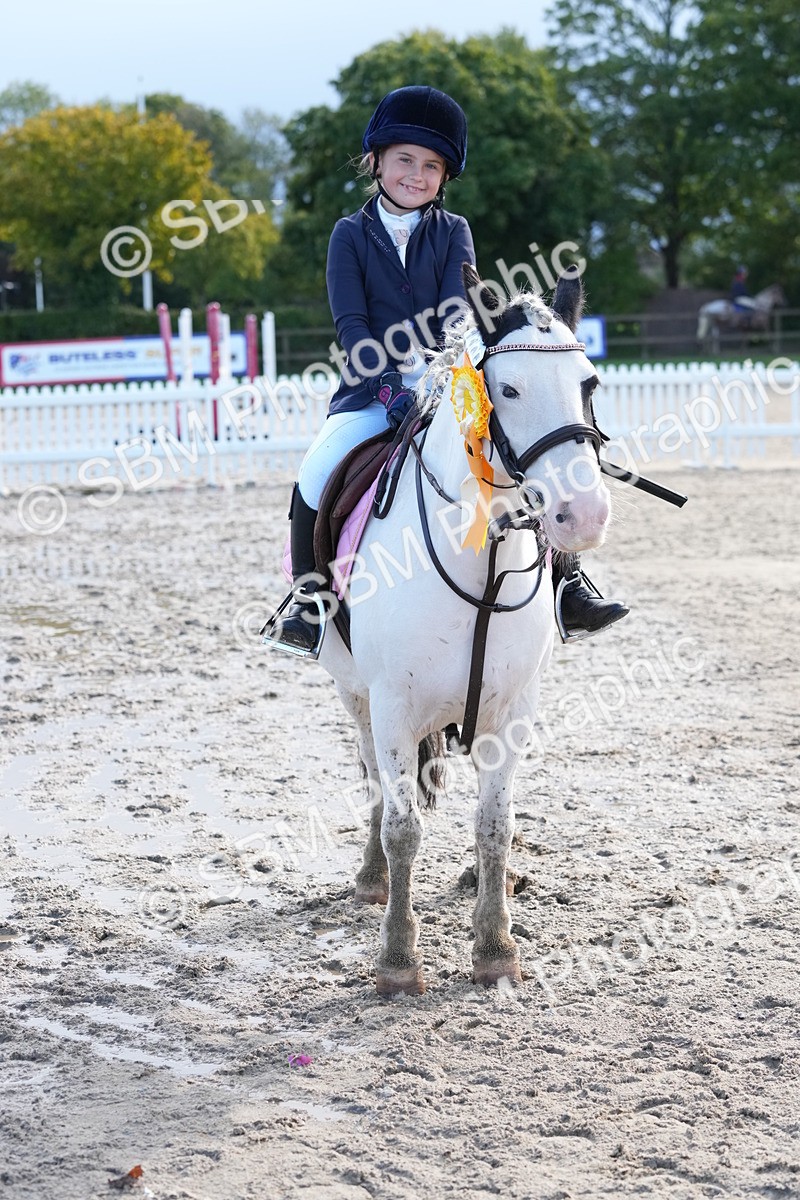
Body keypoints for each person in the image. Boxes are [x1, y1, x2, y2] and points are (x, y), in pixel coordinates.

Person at [269, 85, 626, 656]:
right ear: (377, 161)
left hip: (446, 383)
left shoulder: (453, 230)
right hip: (368, 390)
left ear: (443, 176)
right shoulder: (349, 236)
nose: (416, 174)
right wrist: (389, 391)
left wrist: (433, 383)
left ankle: (568, 584)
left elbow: (457, 315)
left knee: (520, 455)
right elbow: (352, 326)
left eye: (431, 165)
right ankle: (308, 604)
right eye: (404, 159)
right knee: (315, 470)